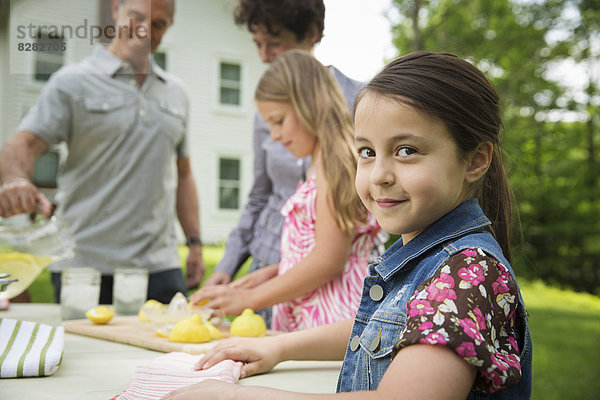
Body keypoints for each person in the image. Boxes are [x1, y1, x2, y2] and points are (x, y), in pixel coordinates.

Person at [163, 51, 533, 399]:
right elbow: (382, 328)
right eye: (367, 152)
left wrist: (235, 395)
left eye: (407, 150)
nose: (380, 176)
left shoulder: (468, 271)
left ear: (475, 160)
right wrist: (277, 346)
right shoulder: (422, 258)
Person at [0, 0, 205, 305]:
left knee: (172, 351)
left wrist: (195, 243)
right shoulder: (71, 83)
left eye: (159, 24)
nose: (146, 31)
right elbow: (23, 144)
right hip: (85, 265)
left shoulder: (177, 92)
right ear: (116, 10)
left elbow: (183, 173)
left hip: (160, 265)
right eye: (136, 17)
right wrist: (15, 179)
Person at [204, 0, 386, 326]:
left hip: (327, 318)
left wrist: (249, 298)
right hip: (301, 303)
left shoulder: (333, 164)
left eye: (279, 122)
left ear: (306, 106)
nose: (272, 136)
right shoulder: (319, 162)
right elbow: (317, 247)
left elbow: (330, 260)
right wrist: (266, 274)